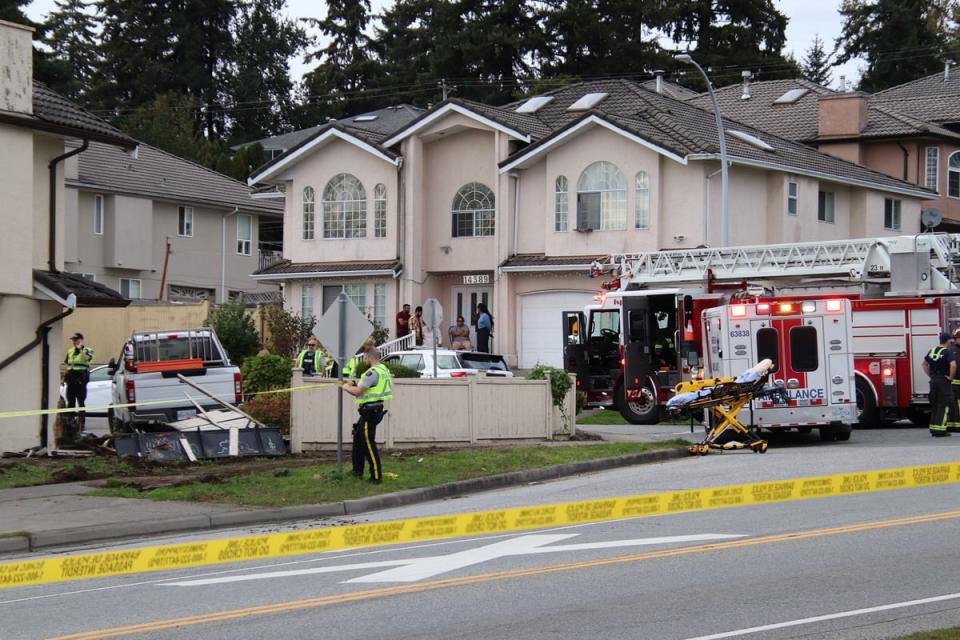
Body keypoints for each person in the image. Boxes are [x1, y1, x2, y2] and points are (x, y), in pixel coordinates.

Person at [341, 345, 393, 483]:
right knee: (358, 437)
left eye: (364, 357)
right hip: (373, 410)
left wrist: (346, 387)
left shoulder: (372, 372)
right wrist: (353, 383)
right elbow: (368, 386)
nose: (364, 359)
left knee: (369, 445)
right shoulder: (383, 370)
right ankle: (357, 471)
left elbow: (358, 392)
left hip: (370, 411)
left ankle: (376, 477)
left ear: (369, 357)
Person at [923, 331, 956, 437]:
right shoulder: (947, 352)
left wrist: (931, 375)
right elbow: (953, 365)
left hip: (933, 381)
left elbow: (924, 364)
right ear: (948, 341)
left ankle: (933, 429)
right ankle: (941, 430)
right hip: (943, 381)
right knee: (944, 404)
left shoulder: (932, 351)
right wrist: (950, 377)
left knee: (935, 404)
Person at [63, 332, 95, 432]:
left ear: (81, 340)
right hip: (71, 379)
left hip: (80, 379)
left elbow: (86, 358)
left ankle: (82, 424)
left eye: (76, 340)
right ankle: (70, 422)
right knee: (70, 402)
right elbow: (67, 365)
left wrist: (80, 349)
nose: (74, 342)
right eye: (73, 340)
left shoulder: (88, 350)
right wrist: (64, 378)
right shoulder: (70, 351)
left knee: (81, 402)